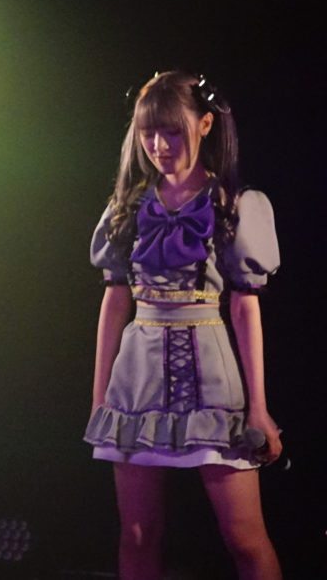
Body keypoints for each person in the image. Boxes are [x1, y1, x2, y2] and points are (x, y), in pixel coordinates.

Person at [84, 71, 283, 580]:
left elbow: (244, 307)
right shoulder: (127, 207)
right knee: (136, 536)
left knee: (244, 538)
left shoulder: (231, 204)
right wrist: (100, 396)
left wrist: (259, 406)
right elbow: (115, 301)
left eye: (171, 131)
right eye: (148, 133)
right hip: (137, 380)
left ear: (205, 124)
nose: (158, 145)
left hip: (212, 378)